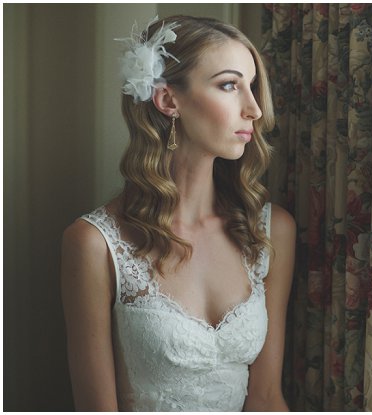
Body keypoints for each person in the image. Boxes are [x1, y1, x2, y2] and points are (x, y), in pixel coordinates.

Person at [60, 15, 295, 411]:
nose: (253, 108)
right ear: (169, 99)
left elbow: (267, 397)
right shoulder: (94, 244)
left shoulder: (271, 230)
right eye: (229, 85)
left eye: (251, 87)